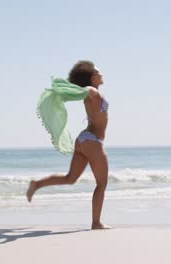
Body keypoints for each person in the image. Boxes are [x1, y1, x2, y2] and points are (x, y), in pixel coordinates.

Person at [27, 60, 110, 229]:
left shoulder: (92, 92)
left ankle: (37, 184)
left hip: (83, 140)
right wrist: (67, 93)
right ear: (93, 77)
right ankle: (96, 222)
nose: (102, 74)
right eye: (99, 72)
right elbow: (86, 91)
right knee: (101, 183)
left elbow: (82, 92)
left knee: (70, 178)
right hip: (92, 141)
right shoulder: (92, 91)